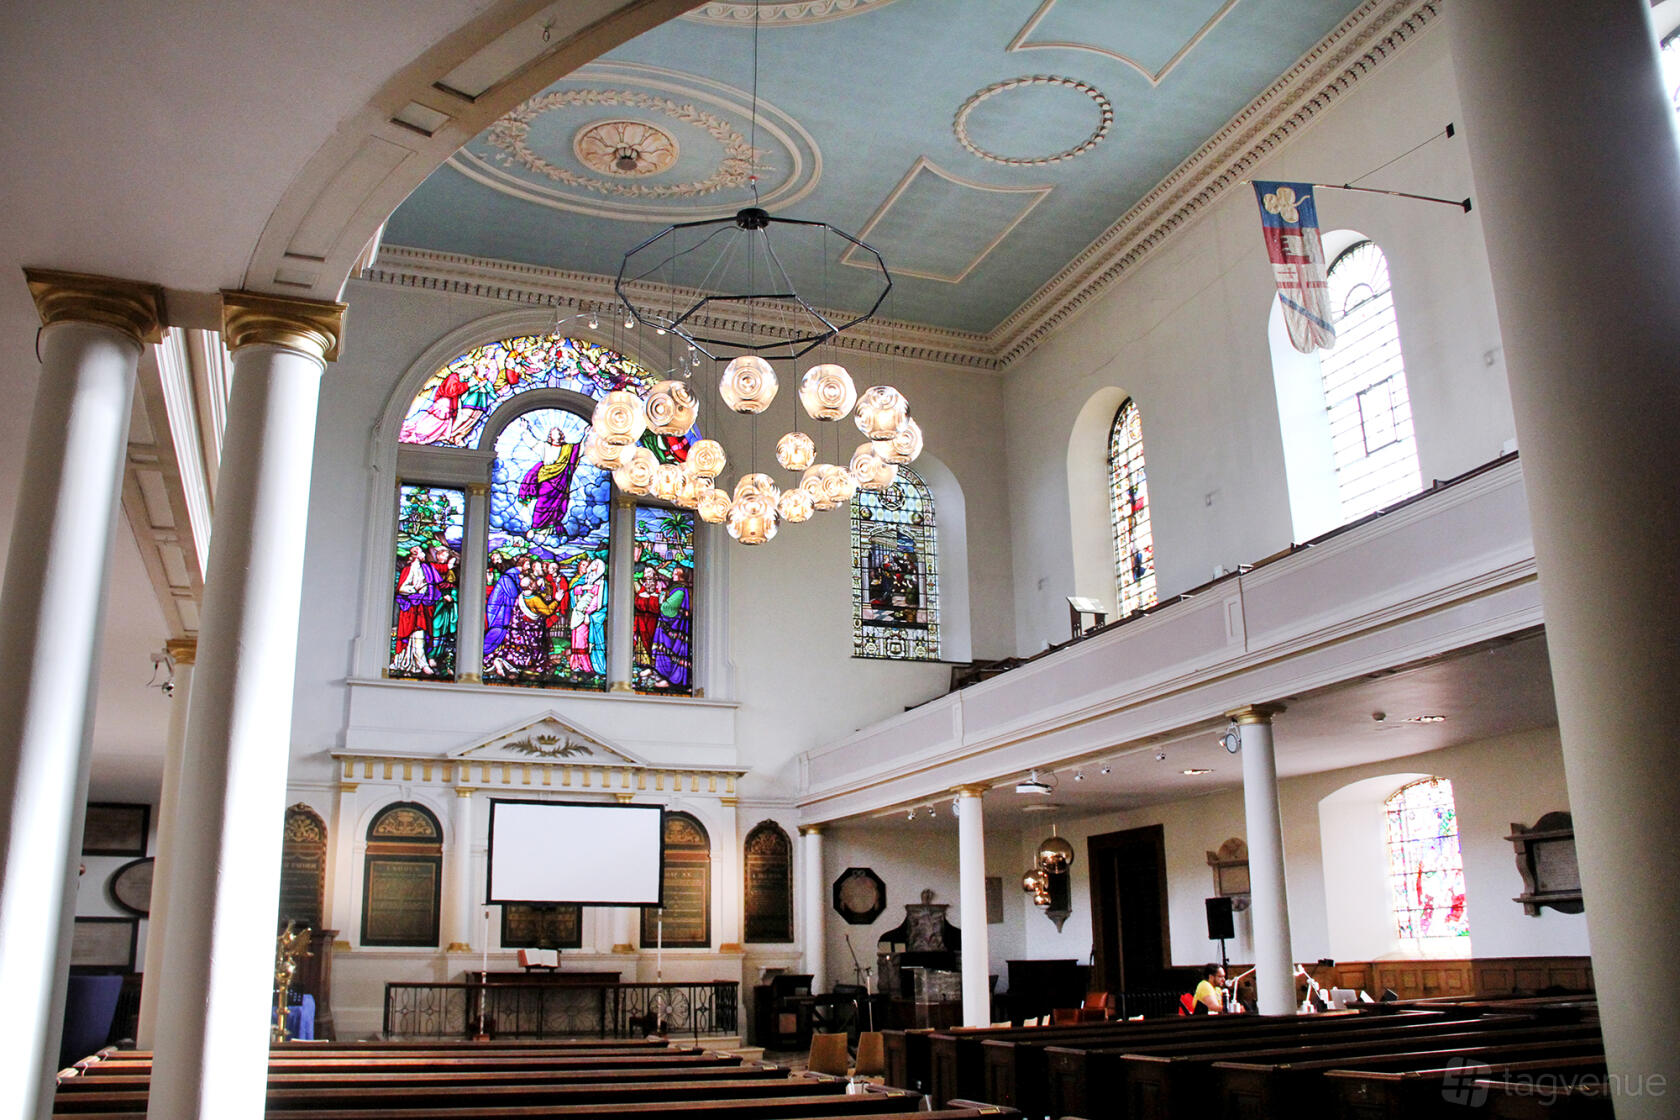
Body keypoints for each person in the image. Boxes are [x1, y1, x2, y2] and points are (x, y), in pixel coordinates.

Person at [519, 426, 579, 533]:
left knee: (559, 504)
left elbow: (579, 450)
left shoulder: (569, 449)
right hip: (546, 480)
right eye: (554, 433)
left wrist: (586, 435)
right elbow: (532, 442)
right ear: (550, 436)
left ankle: (551, 526)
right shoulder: (544, 447)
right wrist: (525, 430)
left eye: (558, 433)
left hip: (561, 482)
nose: (557, 434)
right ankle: (536, 527)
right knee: (542, 504)